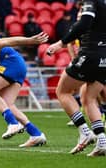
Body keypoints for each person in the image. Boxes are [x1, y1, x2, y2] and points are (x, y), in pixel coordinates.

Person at [47, 0, 106, 156]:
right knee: (88, 98)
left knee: (63, 91)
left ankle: (85, 132)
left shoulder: (92, 1)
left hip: (90, 54)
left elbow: (85, 23)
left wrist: (60, 43)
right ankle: (102, 140)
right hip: (104, 58)